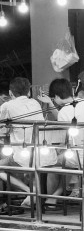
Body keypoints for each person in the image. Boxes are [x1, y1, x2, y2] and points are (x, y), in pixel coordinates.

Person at [0, 77, 49, 208]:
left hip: (23, 152)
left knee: (1, 168)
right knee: (32, 168)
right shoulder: (35, 103)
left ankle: (30, 192)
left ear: (10, 93)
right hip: (42, 151)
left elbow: (2, 125)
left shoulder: (7, 105)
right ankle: (32, 194)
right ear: (28, 92)